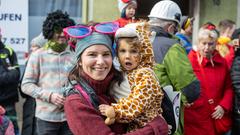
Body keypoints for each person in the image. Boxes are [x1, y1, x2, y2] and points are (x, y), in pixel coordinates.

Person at [63, 23, 168, 135]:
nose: (101, 61)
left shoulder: (117, 85)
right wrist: (155, 128)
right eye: (92, 55)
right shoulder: (76, 102)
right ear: (79, 61)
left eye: (106, 54)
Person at [99, 23, 166, 132]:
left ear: (143, 53)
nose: (127, 56)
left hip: (150, 128)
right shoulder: (123, 73)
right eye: (122, 51)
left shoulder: (145, 75)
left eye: (133, 51)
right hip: (135, 128)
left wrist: (116, 111)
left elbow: (138, 102)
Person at [148, 0, 201, 134]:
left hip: (138, 117)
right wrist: (186, 98)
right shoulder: (171, 46)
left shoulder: (133, 40)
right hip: (166, 118)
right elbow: (191, 90)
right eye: (176, 29)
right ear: (171, 27)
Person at [21, 10, 75, 135]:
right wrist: (49, 96)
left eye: (65, 30)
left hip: (70, 116)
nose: (62, 34)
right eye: (58, 30)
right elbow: (26, 85)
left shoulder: (74, 55)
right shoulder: (38, 56)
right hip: (46, 118)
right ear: (50, 31)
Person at [185, 24, 233, 135]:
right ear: (198, 43)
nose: (207, 48)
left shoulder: (222, 63)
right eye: (204, 43)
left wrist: (223, 106)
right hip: (195, 119)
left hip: (217, 117)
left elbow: (228, 88)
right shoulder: (189, 62)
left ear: (216, 44)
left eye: (210, 44)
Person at [20, 33, 47, 135]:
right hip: (29, 107)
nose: (31, 49)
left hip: (42, 109)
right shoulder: (29, 63)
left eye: (35, 46)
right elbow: (23, 90)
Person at [0, 28, 20, 135]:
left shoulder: (9, 51)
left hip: (9, 101)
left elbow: (16, 75)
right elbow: (11, 75)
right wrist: (8, 73)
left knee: (13, 128)